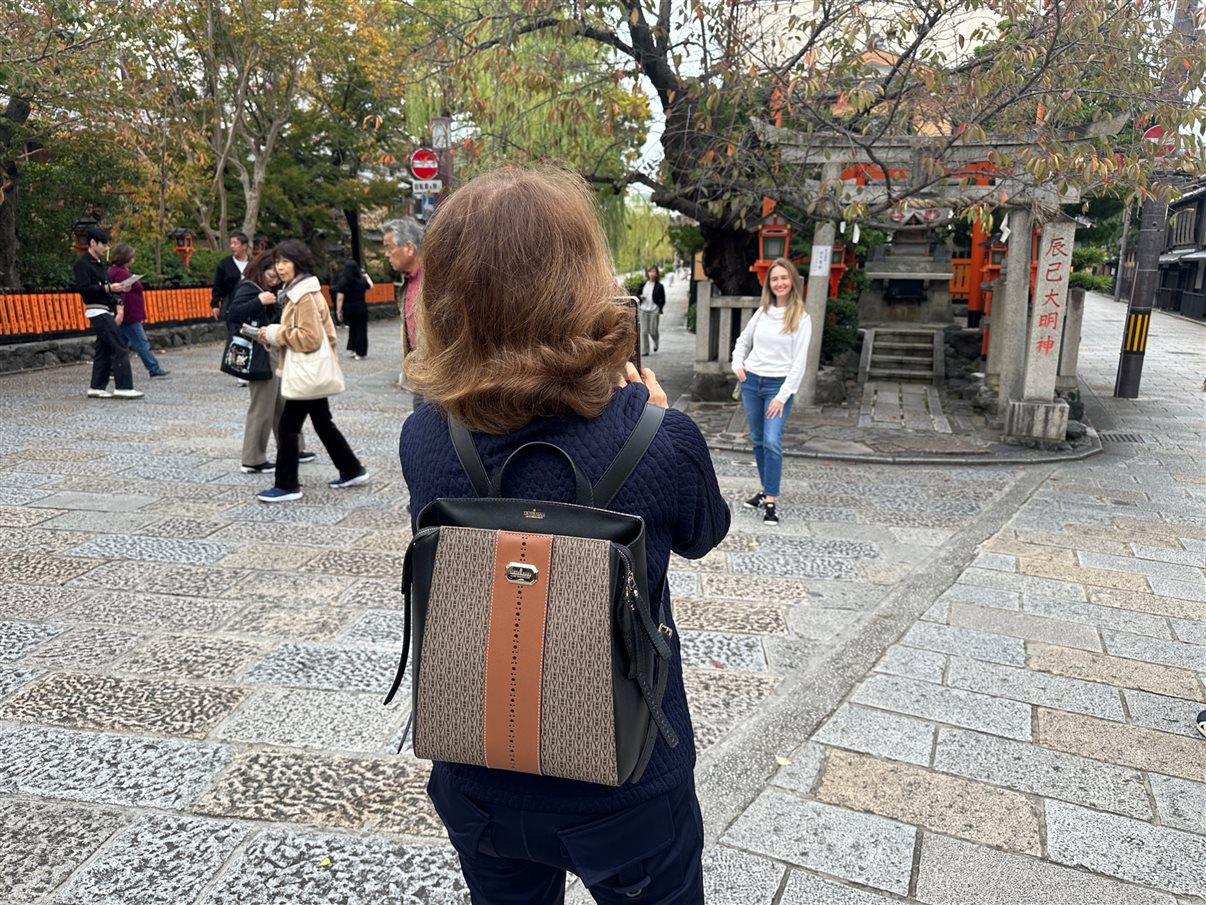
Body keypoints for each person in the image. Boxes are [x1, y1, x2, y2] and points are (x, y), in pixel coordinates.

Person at [399, 166, 730, 904]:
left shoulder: (425, 437)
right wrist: (653, 416)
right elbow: (704, 530)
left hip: (477, 772)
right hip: (630, 778)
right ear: (583, 280)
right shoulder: (659, 438)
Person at [256, 239, 366, 502]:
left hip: (305, 373)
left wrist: (273, 333)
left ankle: (286, 484)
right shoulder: (305, 290)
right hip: (313, 372)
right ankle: (351, 469)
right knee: (322, 422)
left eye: (285, 261)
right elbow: (325, 336)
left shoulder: (302, 295)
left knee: (287, 427)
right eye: (277, 262)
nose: (280, 267)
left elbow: (309, 338)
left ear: (298, 263)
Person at [731, 256, 811, 527]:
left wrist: (782, 396)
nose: (779, 283)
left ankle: (771, 502)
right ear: (769, 283)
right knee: (757, 440)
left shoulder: (801, 317)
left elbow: (799, 363)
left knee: (772, 440)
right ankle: (765, 489)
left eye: (784, 278)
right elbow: (743, 340)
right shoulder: (762, 312)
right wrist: (737, 364)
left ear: (793, 281)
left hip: (778, 386)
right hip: (752, 382)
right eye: (775, 279)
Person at [223, 250, 315, 475]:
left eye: (277, 277)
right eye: (271, 276)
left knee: (281, 405)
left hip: (272, 352)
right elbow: (233, 313)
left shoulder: (270, 290)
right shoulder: (249, 288)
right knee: (262, 408)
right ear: (261, 270)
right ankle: (252, 458)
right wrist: (259, 301)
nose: (274, 280)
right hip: (261, 353)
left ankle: (293, 447)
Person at [72, 226, 143, 400]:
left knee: (103, 349)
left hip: (105, 308)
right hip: (96, 309)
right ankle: (123, 386)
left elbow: (106, 289)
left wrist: (118, 292)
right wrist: (108, 288)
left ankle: (96, 386)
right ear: (93, 243)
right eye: (103, 244)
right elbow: (83, 289)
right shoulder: (82, 264)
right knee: (119, 345)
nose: (106, 248)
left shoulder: (100, 265)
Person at [109, 244, 169, 379]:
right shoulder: (121, 273)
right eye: (131, 256)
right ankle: (153, 368)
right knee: (141, 342)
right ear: (126, 258)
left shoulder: (116, 271)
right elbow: (121, 293)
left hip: (127, 313)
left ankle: (112, 368)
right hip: (130, 314)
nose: (133, 259)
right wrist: (121, 310)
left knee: (122, 343)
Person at [383, 217, 424, 381]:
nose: (387, 254)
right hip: (419, 375)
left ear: (408, 247)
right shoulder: (407, 282)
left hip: (442, 379)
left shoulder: (436, 279)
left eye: (389, 248)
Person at [333, 258, 372, 359]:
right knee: (361, 329)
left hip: (348, 307)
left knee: (352, 328)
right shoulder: (361, 281)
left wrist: (338, 311)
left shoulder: (343, 281)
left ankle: (352, 348)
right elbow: (371, 286)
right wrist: (366, 276)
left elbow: (340, 298)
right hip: (360, 306)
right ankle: (360, 352)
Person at [211, 231, 251, 326]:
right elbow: (218, 286)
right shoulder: (224, 264)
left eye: (235, 243)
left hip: (250, 304)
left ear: (244, 246)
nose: (232, 246)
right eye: (231, 243)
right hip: (231, 304)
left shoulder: (253, 263)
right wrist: (215, 305)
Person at [638, 264, 666, 357]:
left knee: (653, 331)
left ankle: (656, 341)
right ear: (647, 273)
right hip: (643, 309)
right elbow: (637, 294)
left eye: (654, 272)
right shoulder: (643, 284)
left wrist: (659, 308)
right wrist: (640, 297)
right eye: (650, 271)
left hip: (654, 310)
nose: (652, 274)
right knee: (644, 331)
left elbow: (663, 299)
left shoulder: (659, 286)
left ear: (657, 274)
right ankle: (645, 351)